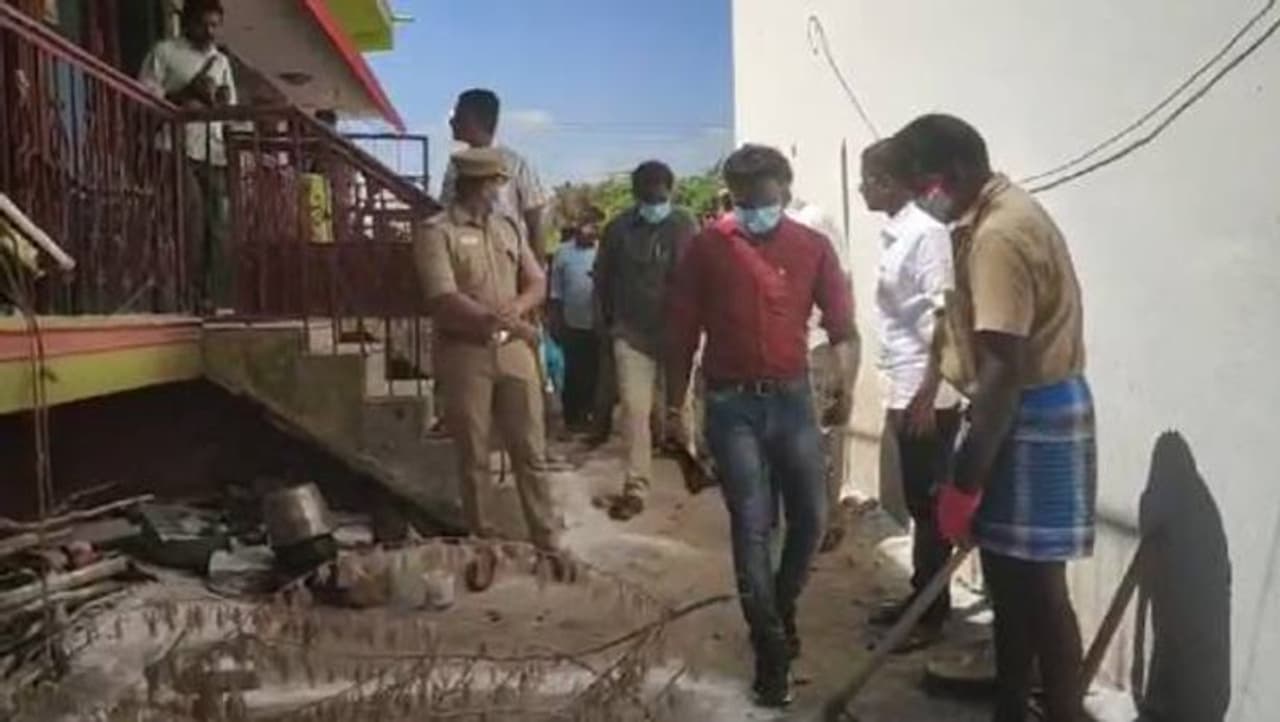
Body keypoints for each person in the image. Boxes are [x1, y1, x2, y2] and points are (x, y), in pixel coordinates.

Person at [896, 114, 1095, 722]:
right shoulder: (987, 219)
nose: (920, 200)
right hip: (1016, 407)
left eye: (921, 186)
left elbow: (1003, 369)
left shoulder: (1000, 236)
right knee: (1009, 584)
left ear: (953, 172)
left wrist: (966, 481)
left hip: (1029, 414)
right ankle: (1010, 708)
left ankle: (1061, 713)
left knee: (1037, 590)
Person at [665, 145, 858, 707]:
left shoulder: (812, 247)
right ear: (732, 196)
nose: (754, 211)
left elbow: (843, 327)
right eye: (744, 201)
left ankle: (779, 606)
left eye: (764, 199)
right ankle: (771, 651)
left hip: (794, 400)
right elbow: (681, 332)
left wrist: (844, 385)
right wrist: (675, 408)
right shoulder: (708, 247)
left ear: (786, 192)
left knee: (812, 517)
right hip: (731, 407)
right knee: (752, 525)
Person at [414, 147, 565, 558]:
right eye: (494, 184)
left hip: (514, 351)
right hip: (465, 353)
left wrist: (515, 310)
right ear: (476, 185)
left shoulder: (507, 228)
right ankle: (484, 545)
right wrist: (508, 322)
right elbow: (443, 297)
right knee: (474, 455)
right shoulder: (436, 231)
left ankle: (547, 539)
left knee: (530, 450)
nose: (498, 192)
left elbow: (537, 281)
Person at [857, 137, 964, 648]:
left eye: (868, 180)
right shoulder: (899, 233)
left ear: (890, 182)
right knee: (921, 505)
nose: (862, 189)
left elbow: (944, 314)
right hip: (904, 384)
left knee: (930, 505)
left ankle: (931, 615)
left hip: (926, 392)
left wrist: (928, 391)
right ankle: (922, 597)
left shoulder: (927, 234)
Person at [594, 161, 698, 521]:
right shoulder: (617, 229)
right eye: (649, 199)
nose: (656, 205)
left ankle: (691, 465)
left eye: (661, 198)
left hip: (678, 333)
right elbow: (602, 279)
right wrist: (608, 324)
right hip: (632, 334)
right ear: (636, 196)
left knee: (680, 408)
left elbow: (700, 277)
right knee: (635, 410)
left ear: (671, 192)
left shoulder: (686, 225)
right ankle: (636, 487)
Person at [138, 0, 236, 310]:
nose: (210, 32)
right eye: (203, 24)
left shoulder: (221, 61)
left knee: (217, 227)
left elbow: (231, 110)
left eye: (214, 25)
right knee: (190, 221)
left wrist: (221, 101)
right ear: (187, 22)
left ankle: (209, 296)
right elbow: (144, 98)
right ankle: (184, 294)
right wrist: (186, 94)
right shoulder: (164, 52)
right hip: (173, 148)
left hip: (213, 151)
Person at [783, 191, 862, 553]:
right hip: (786, 350)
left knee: (820, 441)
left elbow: (842, 286)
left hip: (817, 346)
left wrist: (842, 353)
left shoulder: (813, 220)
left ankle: (827, 521)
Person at [441, 89, 549, 258]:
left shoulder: (516, 165)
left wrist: (538, 268)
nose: (452, 121)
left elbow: (535, 222)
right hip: (465, 261)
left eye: (458, 115)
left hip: (509, 262)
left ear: (473, 118)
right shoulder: (455, 167)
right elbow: (445, 215)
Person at [549, 208, 603, 431]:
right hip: (572, 323)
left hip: (599, 324)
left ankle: (592, 416)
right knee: (574, 372)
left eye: (595, 226)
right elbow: (555, 292)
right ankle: (572, 418)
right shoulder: (563, 253)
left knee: (596, 372)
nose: (590, 230)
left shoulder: (604, 251)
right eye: (587, 225)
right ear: (579, 226)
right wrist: (555, 322)